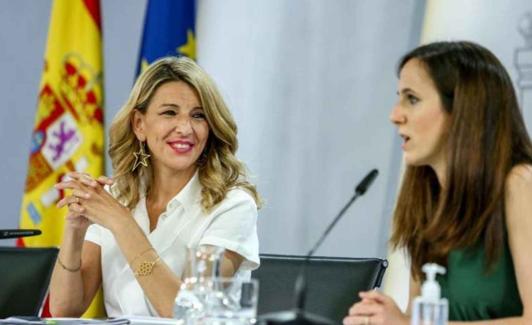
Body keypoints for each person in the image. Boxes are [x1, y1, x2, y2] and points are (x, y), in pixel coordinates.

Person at [49, 56, 261, 318]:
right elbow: (63, 311)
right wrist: (74, 230)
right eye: (169, 113)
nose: (185, 128)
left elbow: (193, 315)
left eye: (198, 116)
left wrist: (122, 223)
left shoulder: (233, 205)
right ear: (139, 124)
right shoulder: (117, 198)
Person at [344, 41, 532, 324]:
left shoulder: (520, 184)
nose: (395, 115)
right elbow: (421, 322)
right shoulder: (425, 198)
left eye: (412, 99)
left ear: (463, 109)